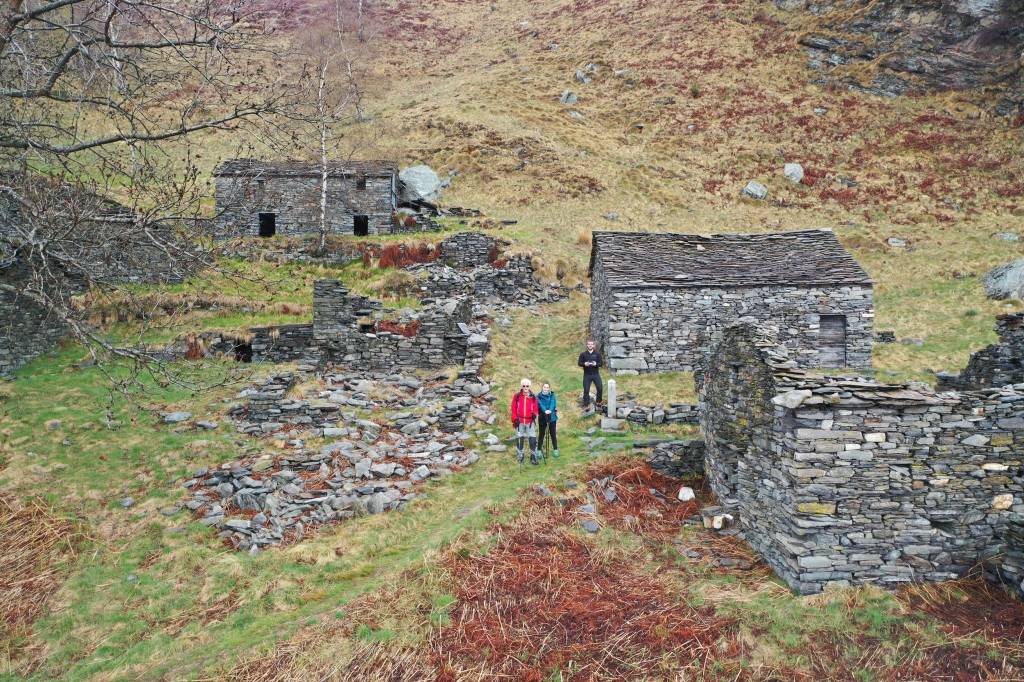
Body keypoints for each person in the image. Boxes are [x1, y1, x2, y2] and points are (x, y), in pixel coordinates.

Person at [510, 378, 541, 465]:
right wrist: (515, 418)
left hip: (530, 422)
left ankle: (533, 456)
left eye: (527, 386)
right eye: (524, 385)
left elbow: (535, 408)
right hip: (519, 421)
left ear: (529, 386)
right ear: (522, 386)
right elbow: (513, 408)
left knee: (532, 439)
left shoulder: (533, 397)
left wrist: (535, 414)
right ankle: (521, 455)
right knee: (520, 439)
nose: (525, 387)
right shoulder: (517, 396)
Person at [577, 339, 603, 414]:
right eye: (589, 344)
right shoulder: (583, 354)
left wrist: (596, 364)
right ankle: (586, 404)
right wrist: (584, 364)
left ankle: (598, 402)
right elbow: (579, 363)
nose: (590, 345)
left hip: (596, 374)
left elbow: (601, 363)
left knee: (600, 388)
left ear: (594, 345)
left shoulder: (597, 354)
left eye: (591, 344)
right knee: (586, 390)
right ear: (587, 345)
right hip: (587, 375)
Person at [537, 382, 559, 458]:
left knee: (553, 434)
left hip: (552, 417)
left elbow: (553, 403)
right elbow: (540, 404)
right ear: (542, 388)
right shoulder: (538, 396)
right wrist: (545, 410)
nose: (546, 389)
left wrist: (550, 410)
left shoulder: (552, 395)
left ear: (549, 388)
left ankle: (555, 449)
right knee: (541, 434)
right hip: (542, 417)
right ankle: (539, 450)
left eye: (547, 387)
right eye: (544, 387)